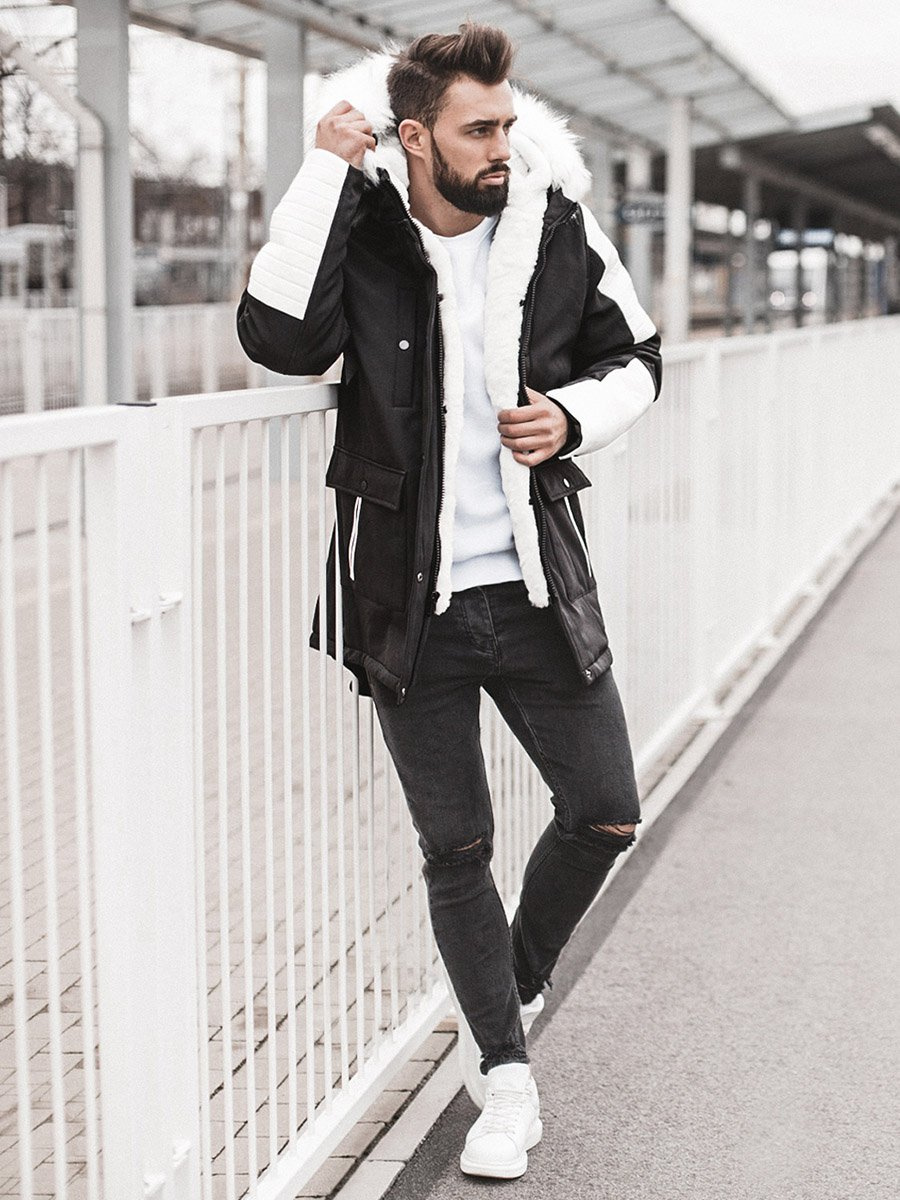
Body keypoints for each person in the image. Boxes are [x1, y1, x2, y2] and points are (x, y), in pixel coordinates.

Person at [236, 22, 662, 1181]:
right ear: (415, 136)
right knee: (458, 847)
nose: (503, 147)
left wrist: (572, 418)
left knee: (605, 810)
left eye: (510, 124)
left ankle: (501, 995)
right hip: (405, 601)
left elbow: (639, 358)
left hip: (533, 588)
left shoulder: (554, 223)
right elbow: (279, 338)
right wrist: (324, 171)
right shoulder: (364, 227)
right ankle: (506, 1082)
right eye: (479, 130)